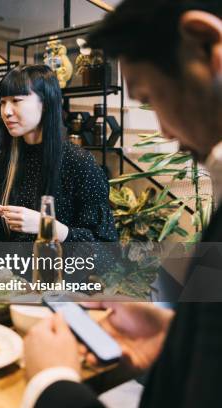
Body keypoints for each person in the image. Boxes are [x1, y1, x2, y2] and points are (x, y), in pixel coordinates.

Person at [21, 1, 222, 407]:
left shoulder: (81, 166)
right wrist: (176, 334)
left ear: (205, 45)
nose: (165, 130)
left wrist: (53, 382)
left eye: (152, 96)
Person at [0, 65, 117, 244]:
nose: (6, 112)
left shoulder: (79, 163)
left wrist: (47, 226)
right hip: (12, 270)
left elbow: (106, 252)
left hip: (60, 272)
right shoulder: (6, 160)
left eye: (16, 100)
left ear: (46, 104)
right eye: (2, 102)